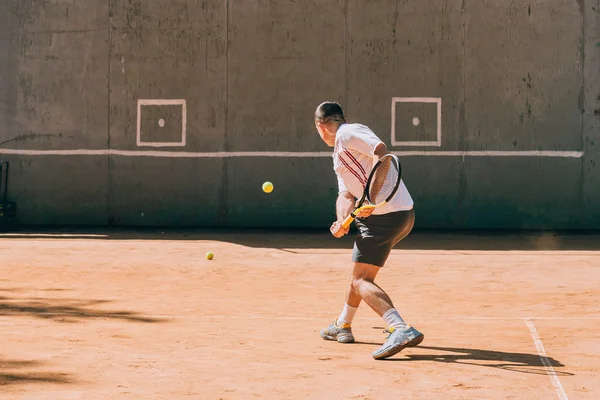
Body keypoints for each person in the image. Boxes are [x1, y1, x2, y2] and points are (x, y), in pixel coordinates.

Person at [314, 101, 424, 360]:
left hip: (385, 215)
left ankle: (400, 328)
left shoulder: (348, 132)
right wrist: (342, 219)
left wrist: (371, 200)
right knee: (359, 272)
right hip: (392, 216)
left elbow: (382, 153)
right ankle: (343, 324)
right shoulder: (339, 156)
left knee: (360, 280)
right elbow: (345, 195)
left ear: (321, 126)